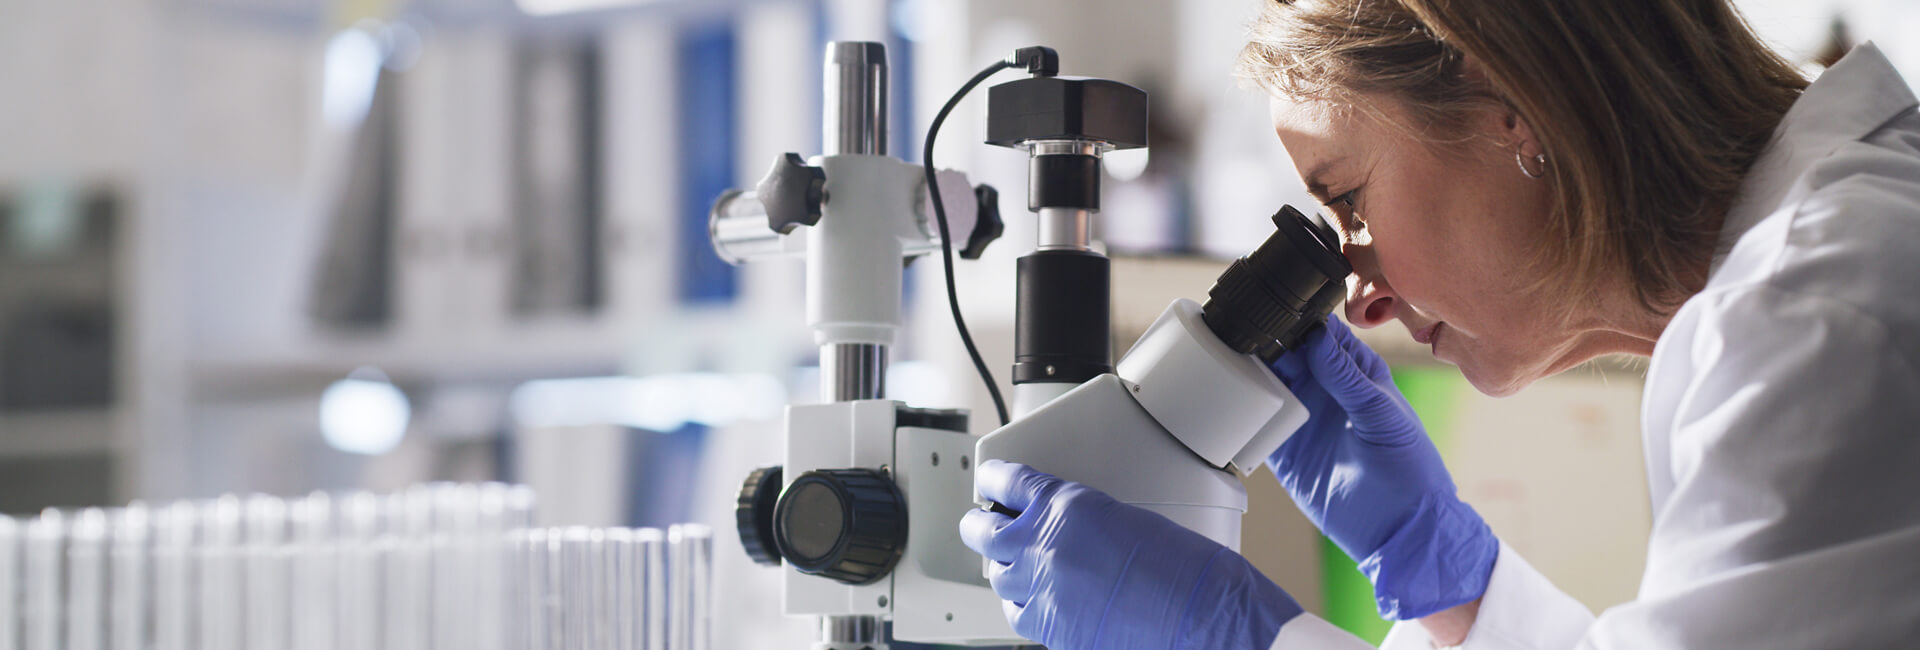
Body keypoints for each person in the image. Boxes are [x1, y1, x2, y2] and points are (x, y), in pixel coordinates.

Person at [958, 0, 1920, 647]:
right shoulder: (1819, 268)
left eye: (1351, 202)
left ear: (1515, 103)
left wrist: (1248, 636)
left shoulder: (1819, 322)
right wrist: (1449, 580)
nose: (1361, 298)